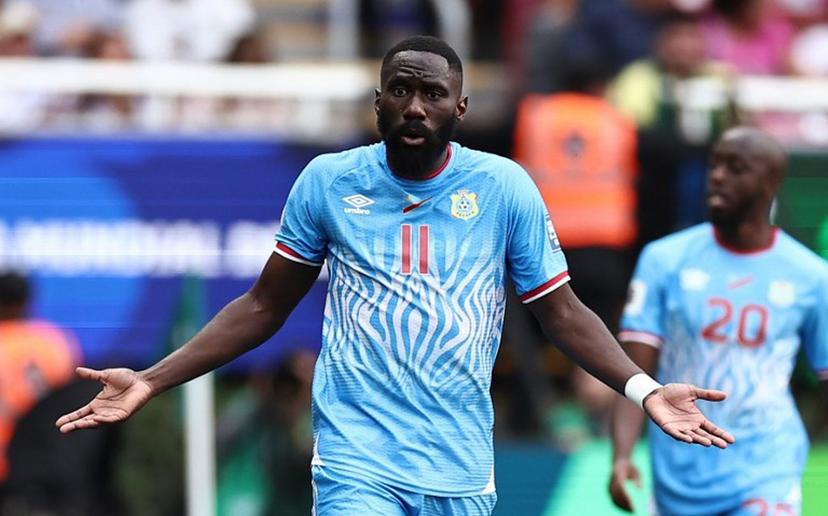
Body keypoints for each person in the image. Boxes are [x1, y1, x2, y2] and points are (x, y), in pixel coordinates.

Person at [57, 36, 734, 515]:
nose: (415, 106)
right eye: (401, 91)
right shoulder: (328, 181)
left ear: (459, 110)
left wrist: (642, 389)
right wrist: (151, 378)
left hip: (460, 464)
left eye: (432, 94)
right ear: (378, 102)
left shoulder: (503, 189)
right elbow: (263, 306)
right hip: (357, 459)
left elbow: (561, 313)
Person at [609, 126, 828, 515]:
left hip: (767, 465)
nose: (718, 176)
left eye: (736, 167)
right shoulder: (664, 259)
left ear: (771, 182)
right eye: (715, 165)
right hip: (680, 469)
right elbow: (634, 372)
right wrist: (622, 455)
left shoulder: (811, 276)